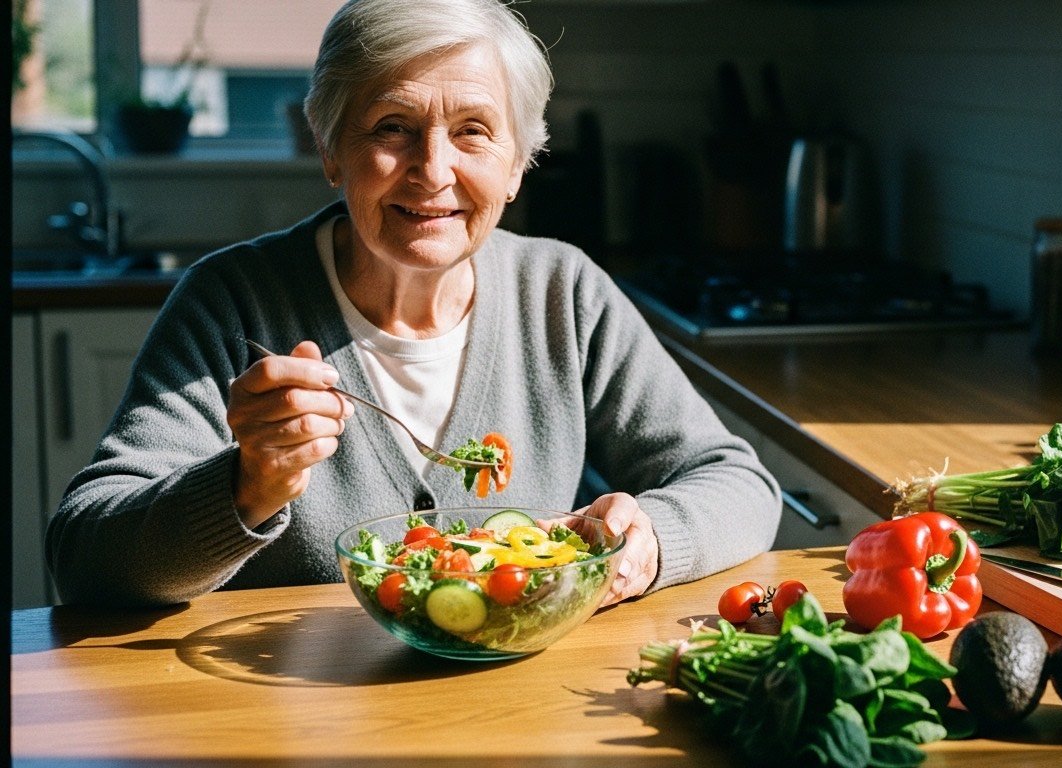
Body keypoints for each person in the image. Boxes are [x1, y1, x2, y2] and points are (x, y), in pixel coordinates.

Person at [46, 0, 781, 608]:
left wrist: (652, 538)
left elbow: (739, 483)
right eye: (392, 127)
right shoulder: (232, 304)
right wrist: (246, 485)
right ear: (330, 150)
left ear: (517, 165)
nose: (433, 171)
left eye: (473, 131)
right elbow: (83, 558)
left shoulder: (564, 293)